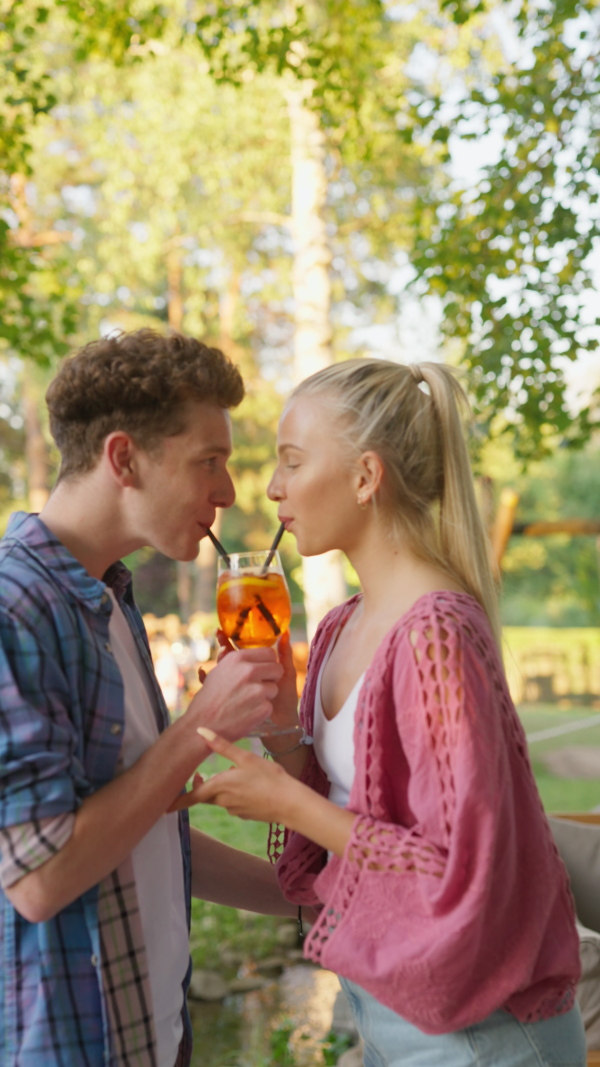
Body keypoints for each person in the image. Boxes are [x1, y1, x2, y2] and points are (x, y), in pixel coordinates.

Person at [184, 358, 586, 1066]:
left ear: (367, 477)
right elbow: (363, 804)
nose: (273, 487)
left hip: (480, 1030)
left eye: (292, 461)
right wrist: (283, 731)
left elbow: (461, 868)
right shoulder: (341, 625)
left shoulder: (435, 636)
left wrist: (284, 803)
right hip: (393, 1004)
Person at [0, 329, 301, 1067]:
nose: (230, 492)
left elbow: (135, 830)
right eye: (210, 461)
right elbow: (38, 879)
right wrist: (199, 728)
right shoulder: (14, 611)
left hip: (151, 1038)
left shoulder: (109, 595)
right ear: (124, 458)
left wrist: (305, 897)